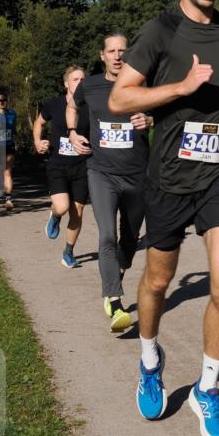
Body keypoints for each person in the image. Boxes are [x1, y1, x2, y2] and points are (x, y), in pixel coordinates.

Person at [109, 0, 219, 436]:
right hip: (168, 177)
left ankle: (207, 390)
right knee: (155, 284)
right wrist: (178, 89)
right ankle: (150, 359)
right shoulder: (161, 30)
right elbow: (120, 100)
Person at [66, 35, 151, 331]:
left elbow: (165, 115)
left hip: (137, 175)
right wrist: (73, 132)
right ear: (102, 55)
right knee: (106, 236)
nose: (117, 56)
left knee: (128, 241)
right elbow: (72, 106)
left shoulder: (143, 84)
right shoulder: (89, 85)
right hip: (101, 173)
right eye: (111, 51)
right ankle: (114, 302)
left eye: (122, 51)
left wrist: (150, 121)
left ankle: (115, 279)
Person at [34, 66, 90, 269]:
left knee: (78, 211)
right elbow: (39, 123)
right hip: (58, 164)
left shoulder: (90, 106)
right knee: (63, 206)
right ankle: (55, 215)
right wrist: (37, 142)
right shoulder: (54, 105)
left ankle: (68, 252)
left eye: (83, 79)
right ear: (66, 83)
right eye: (75, 79)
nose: (80, 83)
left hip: (82, 165)